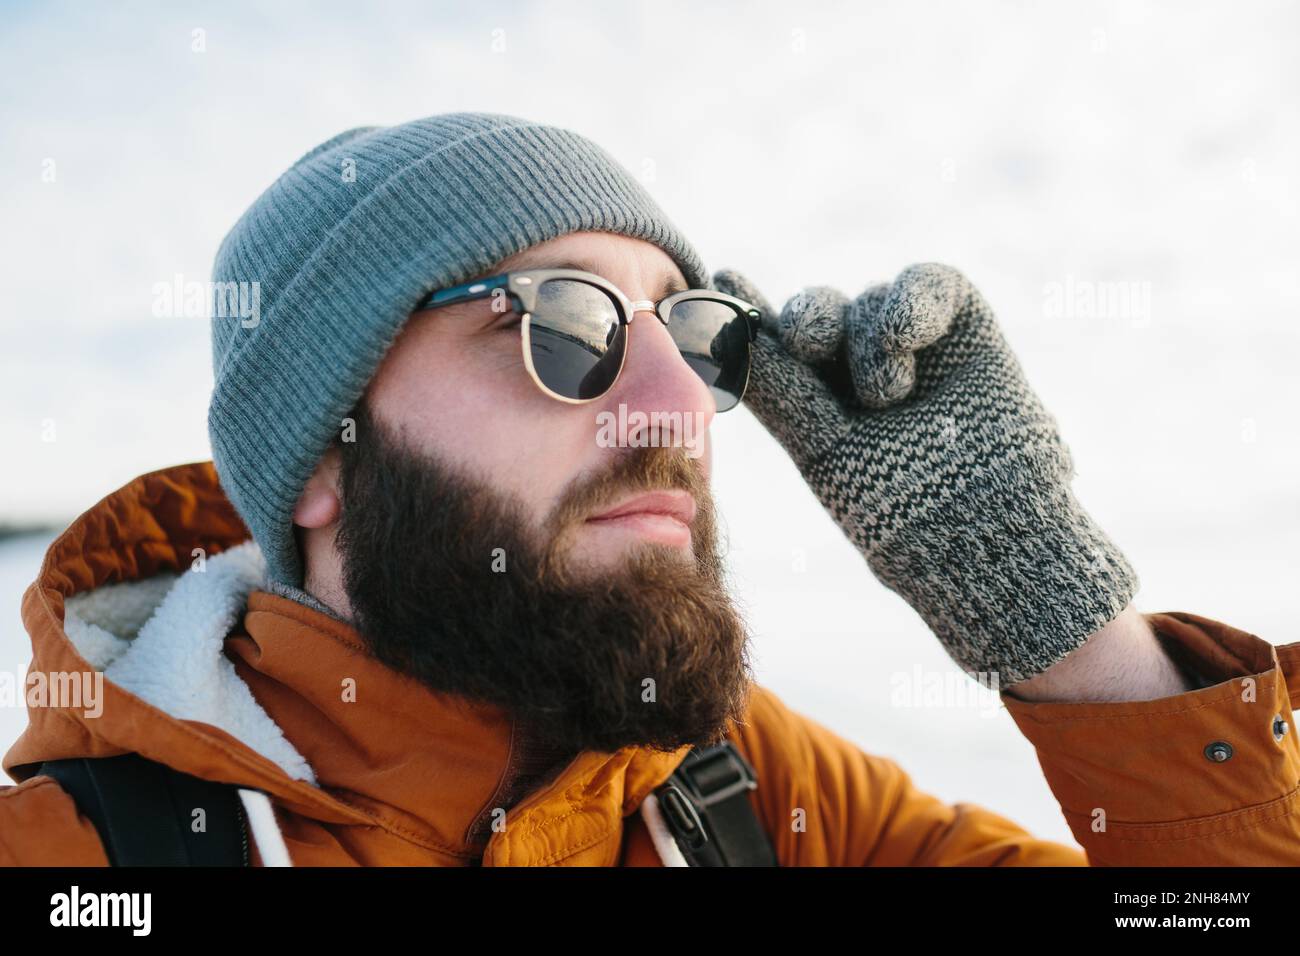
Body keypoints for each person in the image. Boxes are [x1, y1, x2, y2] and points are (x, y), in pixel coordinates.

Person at [3, 112, 1297, 866]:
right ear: (323, 454)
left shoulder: (744, 789)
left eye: (696, 336)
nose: (680, 405)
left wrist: (1057, 622)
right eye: (565, 325)